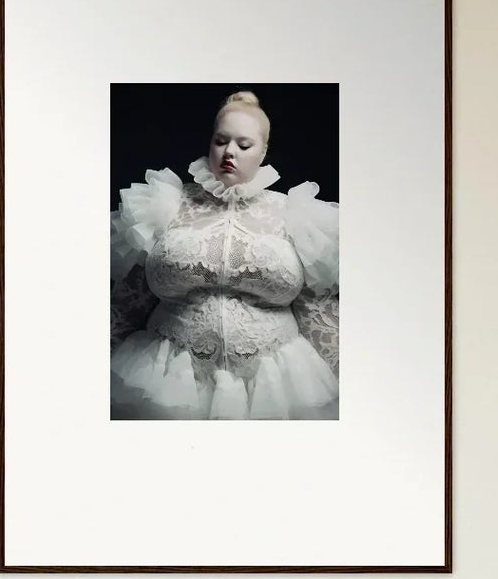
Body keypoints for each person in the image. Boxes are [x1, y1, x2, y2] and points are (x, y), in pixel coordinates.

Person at [109, 91, 340, 420]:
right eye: (221, 141)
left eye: (244, 145)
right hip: (165, 380)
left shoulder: (294, 215)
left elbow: (317, 311)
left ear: (263, 151)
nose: (229, 152)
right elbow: (128, 303)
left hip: (277, 386)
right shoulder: (164, 206)